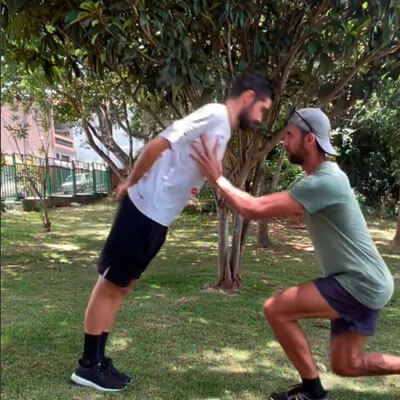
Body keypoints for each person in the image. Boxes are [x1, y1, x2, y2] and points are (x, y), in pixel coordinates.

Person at [70, 72, 275, 391]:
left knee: (121, 287)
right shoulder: (213, 115)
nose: (261, 118)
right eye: (262, 108)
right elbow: (157, 144)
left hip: (157, 219)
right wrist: (130, 181)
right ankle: (88, 365)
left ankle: (97, 359)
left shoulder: (221, 127)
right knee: (111, 284)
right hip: (143, 211)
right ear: (248, 97)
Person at [192, 108, 399, 400]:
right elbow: (297, 211)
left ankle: (313, 393)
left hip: (359, 283)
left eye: (289, 135)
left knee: (277, 309)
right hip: (368, 281)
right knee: (347, 365)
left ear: (310, 139)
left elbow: (253, 208)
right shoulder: (324, 179)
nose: (283, 142)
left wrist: (217, 177)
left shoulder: (324, 181)